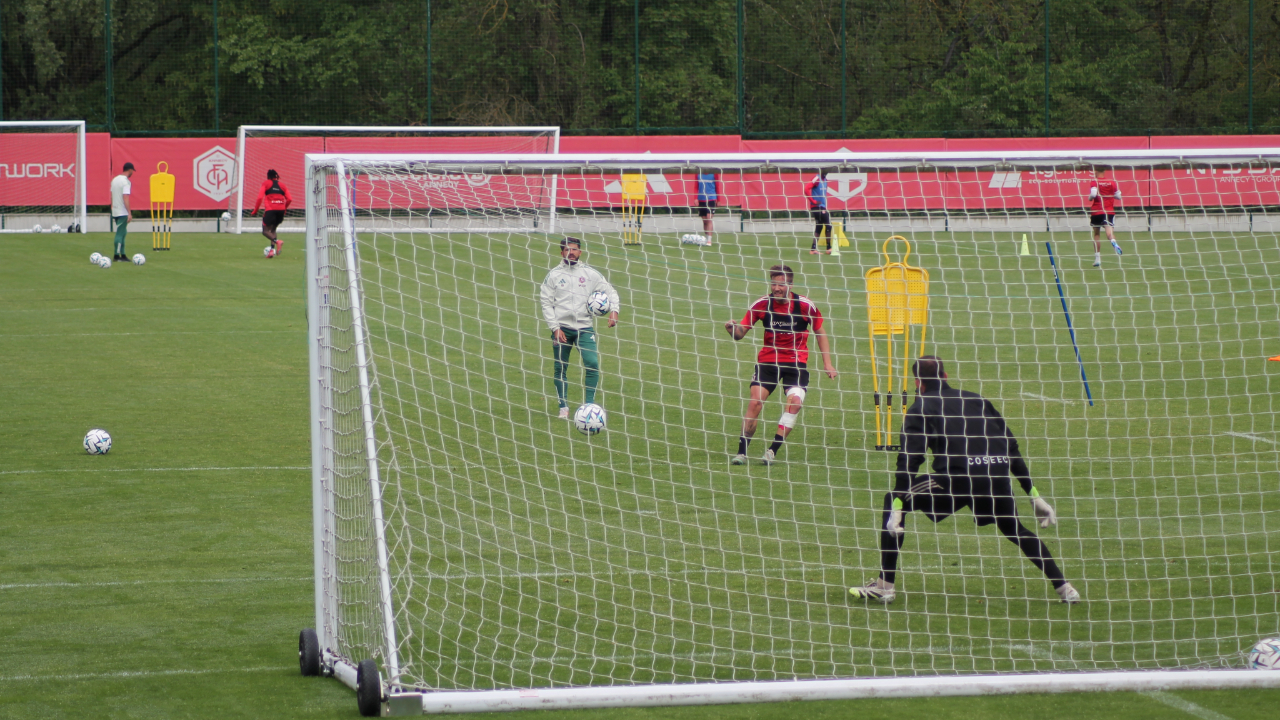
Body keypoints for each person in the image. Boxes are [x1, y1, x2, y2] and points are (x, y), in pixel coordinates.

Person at [848, 356, 1080, 605]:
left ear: (918, 383)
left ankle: (885, 586)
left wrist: (896, 507)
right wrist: (1033, 494)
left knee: (892, 498)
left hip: (957, 480)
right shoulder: (978, 400)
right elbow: (1010, 448)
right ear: (946, 377)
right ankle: (1065, 588)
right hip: (995, 477)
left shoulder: (921, 407)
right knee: (1015, 530)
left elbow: (909, 460)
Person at [725, 265, 837, 465]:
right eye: (774, 283)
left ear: (790, 285)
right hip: (768, 361)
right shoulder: (761, 304)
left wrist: (827, 363)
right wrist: (732, 329)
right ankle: (741, 453)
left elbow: (820, 332)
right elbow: (740, 334)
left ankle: (772, 451)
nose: (776, 288)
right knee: (755, 402)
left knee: (795, 403)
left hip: (796, 364)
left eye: (781, 284)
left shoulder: (805, 306)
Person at [539, 237, 621, 419]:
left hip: (584, 328)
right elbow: (545, 303)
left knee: (592, 364)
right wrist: (554, 327)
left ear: (580, 252)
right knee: (560, 367)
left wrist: (614, 311)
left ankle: (589, 406)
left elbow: (611, 291)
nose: (571, 252)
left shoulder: (590, 274)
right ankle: (563, 407)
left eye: (575, 249)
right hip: (562, 328)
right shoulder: (553, 275)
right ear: (561, 253)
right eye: (567, 250)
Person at [1087, 166, 1123, 267]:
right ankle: (1113, 241)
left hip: (1097, 211)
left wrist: (1089, 198)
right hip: (1109, 211)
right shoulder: (1112, 182)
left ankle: (1097, 259)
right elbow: (1118, 196)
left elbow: (1093, 194)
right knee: (1109, 232)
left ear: (1097, 171)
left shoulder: (1095, 181)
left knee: (1097, 234)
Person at [253, 169, 292, 256]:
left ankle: (277, 241)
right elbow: (289, 199)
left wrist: (255, 210)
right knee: (273, 229)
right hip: (281, 210)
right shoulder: (282, 185)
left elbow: (259, 198)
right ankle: (272, 251)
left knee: (265, 231)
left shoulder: (266, 183)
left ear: (268, 176)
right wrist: (284, 208)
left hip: (271, 210)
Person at [109, 162, 135, 262]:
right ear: (130, 170)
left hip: (115, 210)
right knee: (120, 233)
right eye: (132, 170)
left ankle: (123, 254)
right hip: (122, 211)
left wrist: (112, 207)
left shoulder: (114, 180)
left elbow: (112, 195)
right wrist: (129, 212)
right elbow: (125, 197)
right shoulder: (126, 182)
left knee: (123, 232)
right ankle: (116, 255)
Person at [807, 171, 833, 255]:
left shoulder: (825, 180)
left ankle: (813, 249)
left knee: (819, 226)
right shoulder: (817, 178)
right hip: (816, 206)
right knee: (828, 224)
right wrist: (813, 201)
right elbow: (806, 188)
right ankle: (829, 248)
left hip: (821, 206)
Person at [695, 172, 719, 244]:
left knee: (709, 218)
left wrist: (719, 200)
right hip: (701, 199)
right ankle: (706, 238)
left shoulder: (714, 174)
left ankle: (709, 240)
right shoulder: (698, 174)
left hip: (711, 199)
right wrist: (695, 198)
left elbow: (717, 187)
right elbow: (696, 187)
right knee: (705, 221)